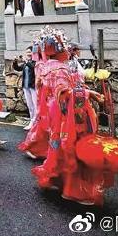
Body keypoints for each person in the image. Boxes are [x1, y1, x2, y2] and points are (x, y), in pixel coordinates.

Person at [30, 27, 109, 205]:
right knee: (73, 147)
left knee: (59, 144)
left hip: (57, 113)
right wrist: (91, 94)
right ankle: (74, 190)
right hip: (70, 115)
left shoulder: (47, 67)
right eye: (65, 47)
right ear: (59, 50)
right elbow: (65, 93)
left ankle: (58, 181)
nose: (68, 50)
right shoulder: (60, 69)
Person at [18, 27, 75, 160]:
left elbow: (40, 83)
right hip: (56, 102)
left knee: (44, 128)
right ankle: (54, 155)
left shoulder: (45, 65)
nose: (66, 49)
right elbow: (62, 89)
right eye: (63, 46)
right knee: (55, 129)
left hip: (47, 101)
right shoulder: (58, 67)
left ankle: (39, 149)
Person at [13, 47, 37, 130]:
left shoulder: (35, 62)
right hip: (26, 87)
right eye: (27, 52)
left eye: (30, 52)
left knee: (36, 105)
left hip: (33, 86)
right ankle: (32, 121)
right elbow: (17, 68)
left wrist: (26, 61)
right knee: (30, 105)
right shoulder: (26, 63)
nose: (28, 54)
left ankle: (37, 123)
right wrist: (15, 61)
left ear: (33, 53)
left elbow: (34, 67)